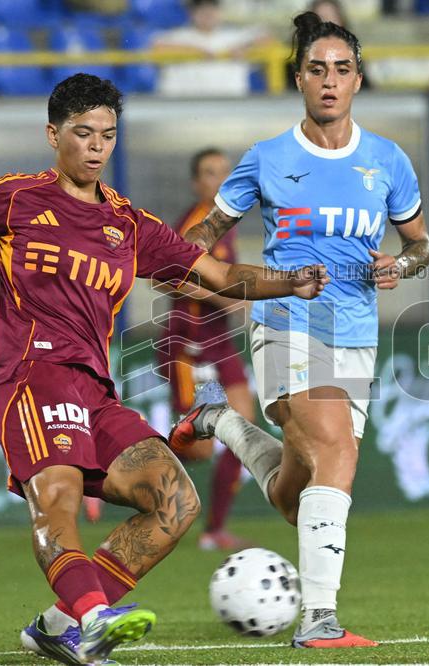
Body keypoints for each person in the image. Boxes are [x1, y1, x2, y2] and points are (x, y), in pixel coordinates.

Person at [0, 73, 328, 666]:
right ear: (53, 134)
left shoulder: (129, 224)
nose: (97, 146)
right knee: (58, 499)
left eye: (108, 135)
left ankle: (58, 626)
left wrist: (289, 282)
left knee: (174, 502)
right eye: (83, 132)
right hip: (30, 377)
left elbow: (219, 276)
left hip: (95, 390)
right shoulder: (14, 198)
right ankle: (93, 618)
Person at [170, 12, 429, 648]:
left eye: (342, 69)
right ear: (299, 79)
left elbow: (422, 245)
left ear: (359, 81)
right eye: (318, 69)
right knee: (337, 451)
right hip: (286, 323)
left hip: (357, 333)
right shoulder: (268, 158)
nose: (330, 81)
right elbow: (200, 237)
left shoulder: (388, 161)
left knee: (300, 496)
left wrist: (398, 264)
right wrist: (191, 268)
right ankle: (319, 620)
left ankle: (221, 422)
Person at [156, 147, 257, 552]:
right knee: (198, 448)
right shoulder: (195, 222)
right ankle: (129, 462)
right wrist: (224, 298)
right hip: (191, 342)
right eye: (210, 173)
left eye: (225, 172)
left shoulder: (224, 224)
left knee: (244, 432)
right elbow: (164, 277)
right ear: (197, 182)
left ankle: (214, 530)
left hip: (221, 343)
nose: (220, 180)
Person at [152, 0, 272, 97]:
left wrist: (245, 48)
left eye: (212, 8)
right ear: (191, 13)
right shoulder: (178, 36)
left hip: (230, 111)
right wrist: (197, 51)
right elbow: (157, 47)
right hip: (184, 111)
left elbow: (267, 39)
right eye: (201, 9)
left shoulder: (234, 36)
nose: (208, 13)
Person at [287, 0, 372, 90]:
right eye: (321, 19)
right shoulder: (293, 60)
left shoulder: (353, 56)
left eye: (331, 20)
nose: (326, 26)